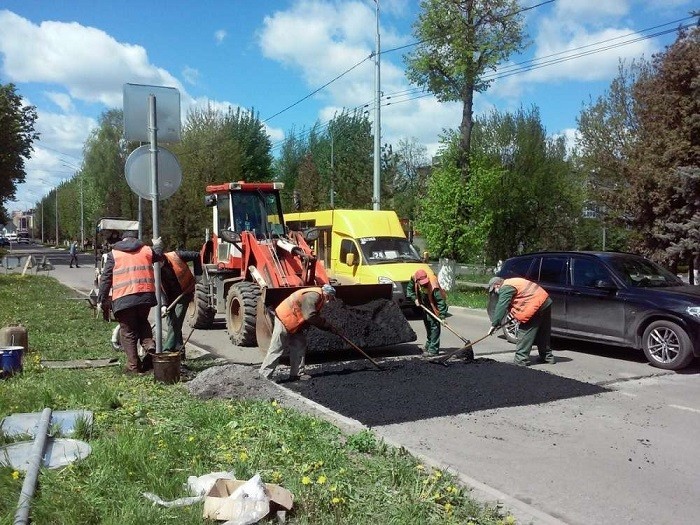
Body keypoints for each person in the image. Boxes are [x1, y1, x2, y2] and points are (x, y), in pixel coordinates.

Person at [97, 231, 164, 375]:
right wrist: (157, 245)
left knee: (127, 332)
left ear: (122, 240)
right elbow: (159, 256)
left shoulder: (114, 254)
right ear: (136, 239)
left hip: (123, 298)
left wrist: (101, 299)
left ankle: (133, 367)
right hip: (145, 296)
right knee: (142, 322)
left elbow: (106, 278)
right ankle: (149, 345)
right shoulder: (146, 250)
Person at [259, 284, 337, 382]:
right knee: (277, 348)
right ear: (327, 294)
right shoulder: (313, 295)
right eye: (330, 298)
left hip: (295, 322)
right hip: (284, 318)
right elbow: (310, 315)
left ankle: (297, 374)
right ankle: (264, 376)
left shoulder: (320, 298)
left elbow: (311, 314)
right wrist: (325, 325)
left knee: (299, 345)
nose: (329, 301)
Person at [488, 276, 555, 366]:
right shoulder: (513, 282)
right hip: (545, 301)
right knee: (542, 332)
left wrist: (494, 324)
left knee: (525, 332)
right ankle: (547, 357)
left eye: (494, 290)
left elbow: (502, 306)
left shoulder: (505, 287)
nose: (495, 293)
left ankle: (521, 359)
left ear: (497, 285)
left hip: (535, 305)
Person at [160, 249, 202, 358]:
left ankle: (167, 350)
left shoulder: (176, 256)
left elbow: (197, 254)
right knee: (171, 322)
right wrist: (163, 305)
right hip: (169, 297)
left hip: (185, 291)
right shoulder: (154, 268)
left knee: (176, 321)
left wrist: (198, 275)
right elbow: (159, 289)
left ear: (163, 258)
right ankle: (180, 352)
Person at [407, 268, 448, 356]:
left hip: (435, 304)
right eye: (422, 284)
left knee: (434, 327)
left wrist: (443, 317)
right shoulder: (414, 278)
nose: (424, 285)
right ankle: (429, 345)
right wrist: (415, 299)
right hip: (425, 304)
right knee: (428, 325)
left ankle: (433, 350)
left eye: (425, 283)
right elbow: (410, 290)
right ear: (417, 280)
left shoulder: (433, 285)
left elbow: (440, 302)